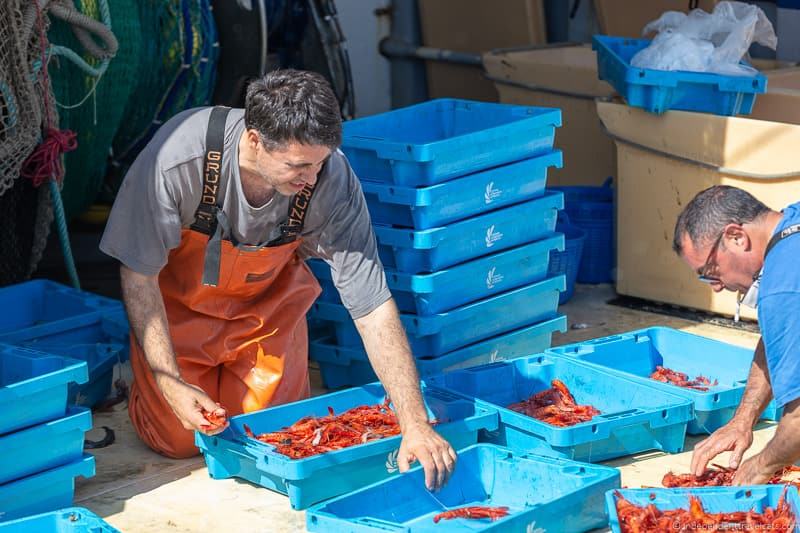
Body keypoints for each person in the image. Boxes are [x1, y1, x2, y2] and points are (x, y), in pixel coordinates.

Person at [100, 69, 456, 490]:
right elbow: (139, 277)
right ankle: (142, 385)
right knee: (180, 438)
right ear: (254, 141)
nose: (312, 177)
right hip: (178, 312)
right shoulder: (178, 160)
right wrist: (170, 382)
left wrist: (413, 422)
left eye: (320, 162)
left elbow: (372, 305)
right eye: (298, 166)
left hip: (265, 316)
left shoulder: (331, 177)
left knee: (270, 434)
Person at [672, 185, 800, 484]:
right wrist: (743, 420)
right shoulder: (792, 219)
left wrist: (762, 465)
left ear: (736, 237)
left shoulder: (782, 288)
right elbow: (780, 339)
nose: (715, 286)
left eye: (710, 271)